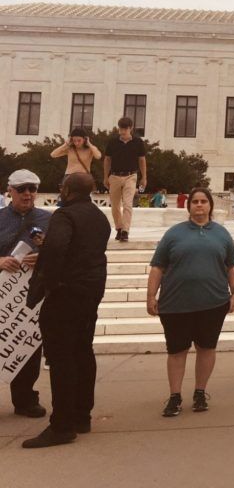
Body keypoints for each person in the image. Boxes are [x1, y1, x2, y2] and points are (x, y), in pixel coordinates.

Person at [21, 173, 110, 448]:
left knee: (60, 358)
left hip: (66, 293)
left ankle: (61, 426)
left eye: (62, 187)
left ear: (68, 190)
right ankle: (82, 416)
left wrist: (50, 282)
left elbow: (58, 247)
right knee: (83, 351)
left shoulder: (64, 215)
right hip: (90, 292)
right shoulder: (100, 217)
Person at [147, 187, 234, 417]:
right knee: (177, 350)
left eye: (203, 201)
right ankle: (175, 396)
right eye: (195, 202)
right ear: (189, 206)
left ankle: (200, 392)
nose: (199, 205)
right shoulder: (173, 234)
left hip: (213, 302)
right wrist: (151, 295)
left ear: (210, 206)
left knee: (206, 347)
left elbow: (232, 266)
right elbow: (158, 266)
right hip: (176, 304)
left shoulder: (222, 234)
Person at [1, 169, 50, 421]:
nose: (28, 194)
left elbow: (63, 251)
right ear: (10, 191)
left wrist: (42, 258)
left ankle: (25, 399)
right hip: (2, 295)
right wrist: (0, 261)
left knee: (27, 348)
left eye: (32, 189)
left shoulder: (48, 219)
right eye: (22, 189)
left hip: (31, 296)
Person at [103, 116, 147, 242]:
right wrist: (105, 176)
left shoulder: (138, 142)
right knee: (115, 205)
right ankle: (119, 228)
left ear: (130, 128)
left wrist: (144, 177)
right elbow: (107, 159)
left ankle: (125, 231)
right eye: (121, 129)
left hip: (131, 176)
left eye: (125, 129)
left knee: (128, 203)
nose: (122, 132)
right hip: (115, 176)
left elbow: (142, 160)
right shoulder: (113, 142)